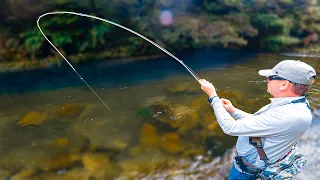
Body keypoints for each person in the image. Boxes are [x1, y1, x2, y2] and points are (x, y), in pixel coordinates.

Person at [199, 60, 317, 180]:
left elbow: (230, 127)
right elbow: (261, 122)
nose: (267, 79)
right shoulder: (294, 104)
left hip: (246, 172)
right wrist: (234, 111)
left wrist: (213, 97)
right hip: (249, 164)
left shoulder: (288, 115)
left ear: (284, 85)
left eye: (271, 77)